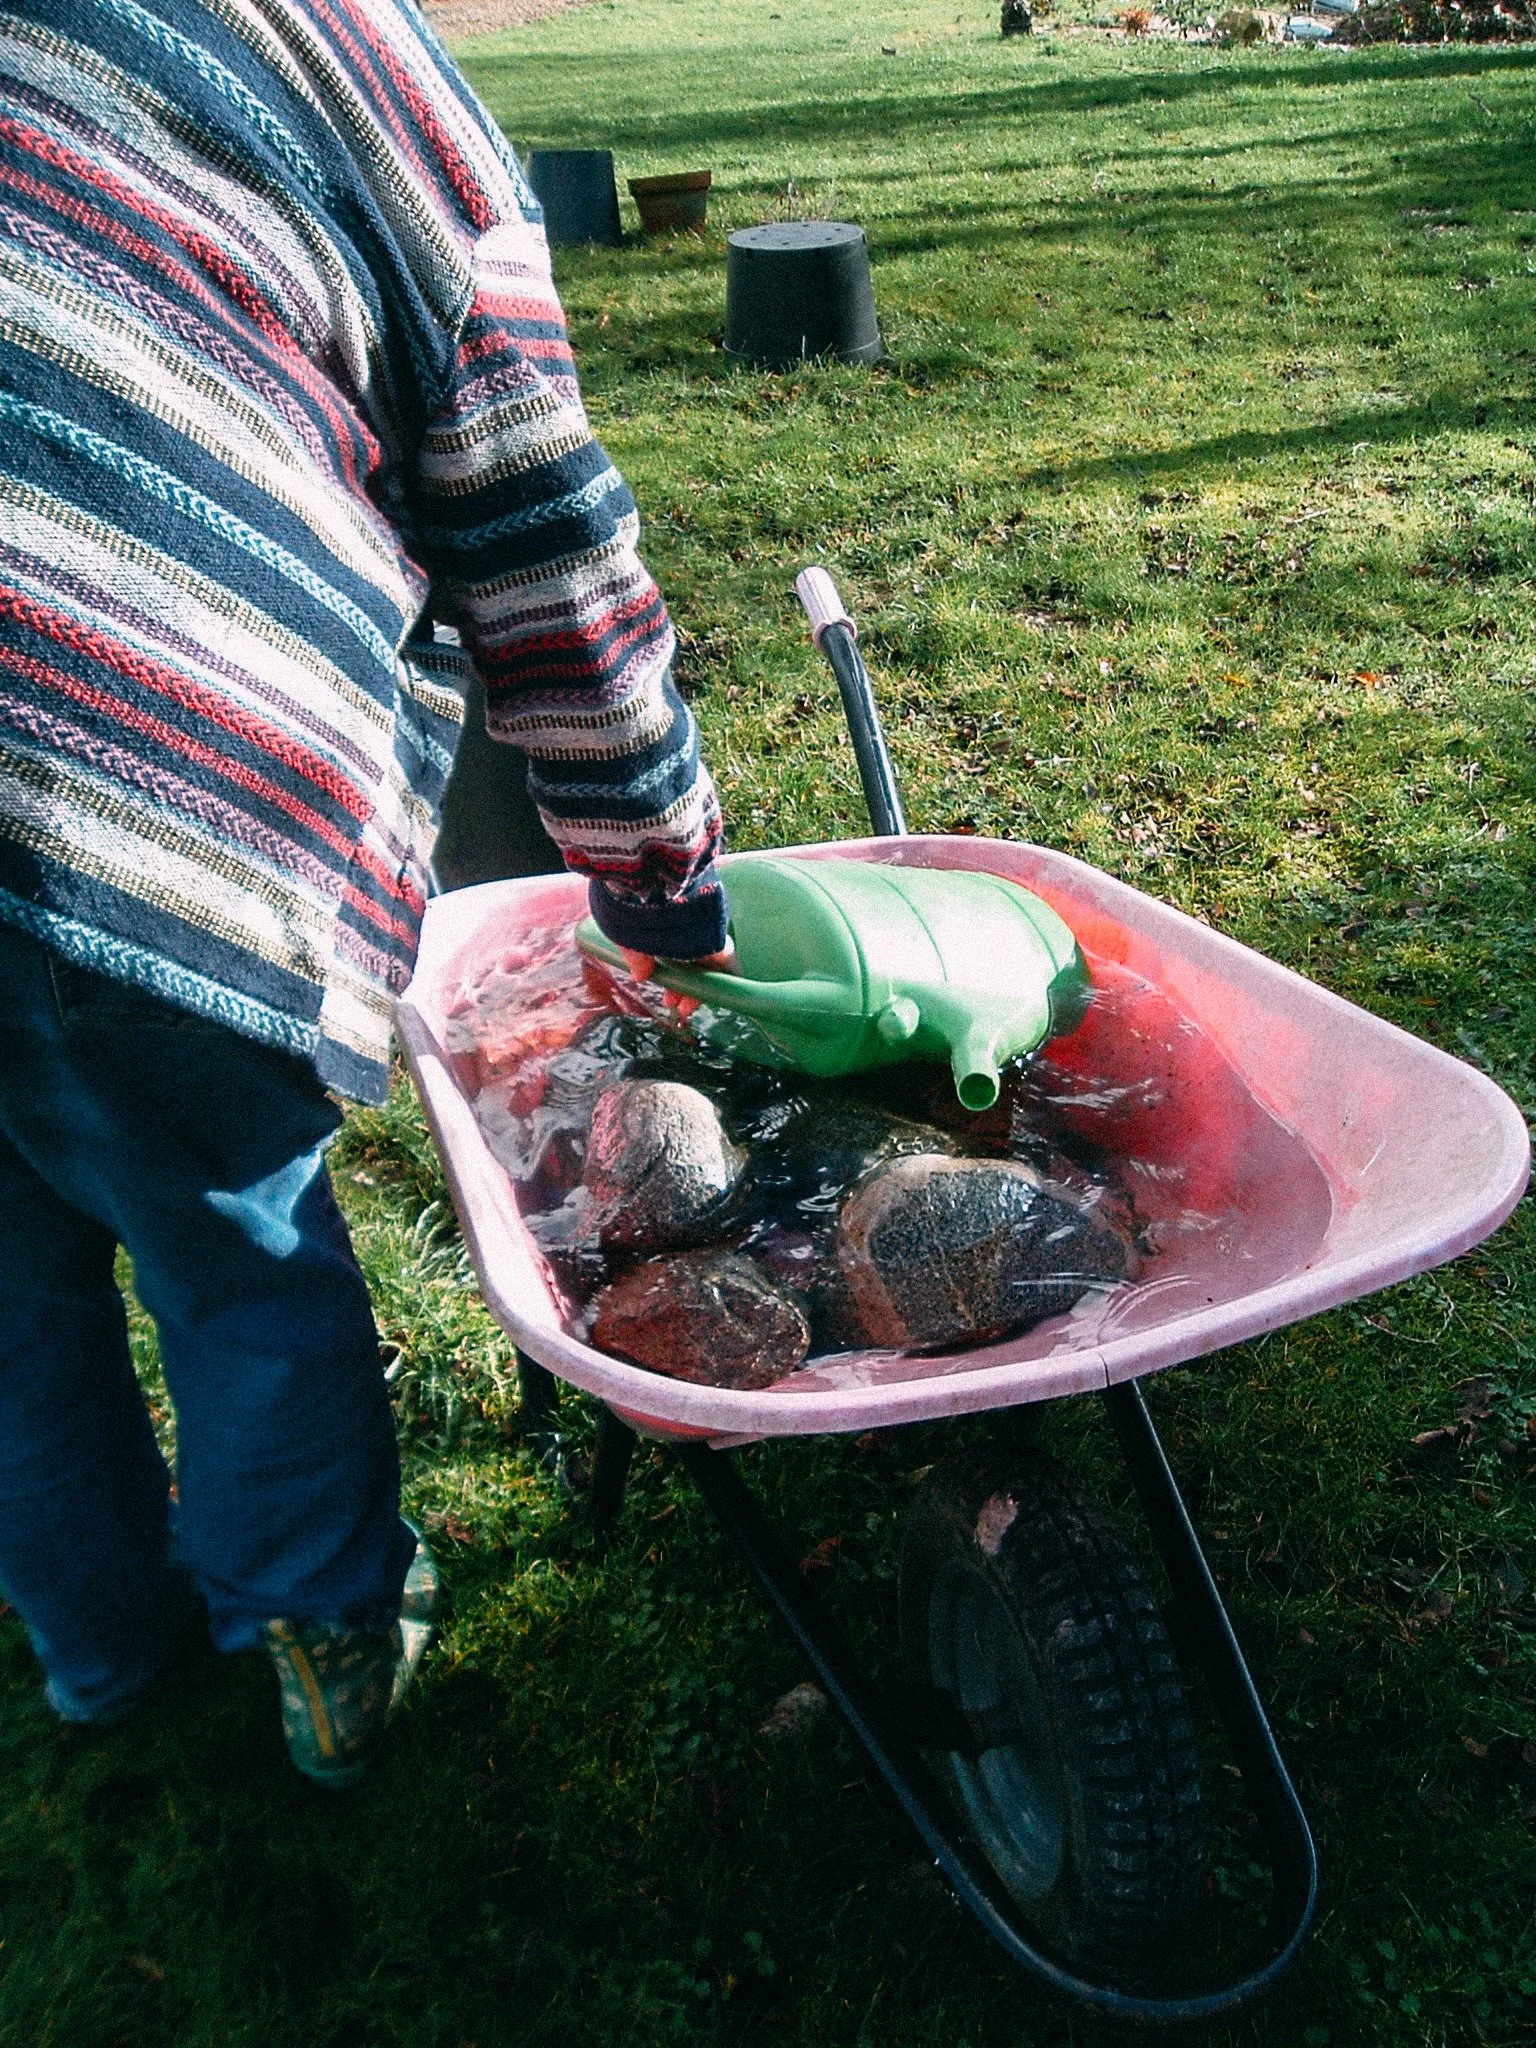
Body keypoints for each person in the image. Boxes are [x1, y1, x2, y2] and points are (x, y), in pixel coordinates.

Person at [0, 0, 729, 1786]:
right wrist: (657, 868)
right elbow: (539, 534)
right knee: (238, 1256)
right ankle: (317, 1630)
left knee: (9, 1302)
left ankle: (96, 1657)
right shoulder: (365, 69)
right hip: (145, 789)